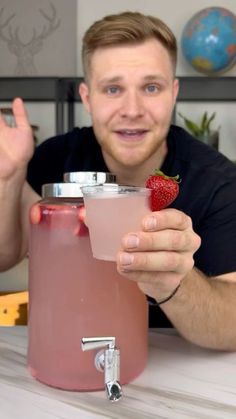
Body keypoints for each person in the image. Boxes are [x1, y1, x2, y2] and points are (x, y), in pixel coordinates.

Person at [0, 11, 236, 350]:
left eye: (151, 87)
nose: (132, 109)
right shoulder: (53, 159)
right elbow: (6, 255)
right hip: (66, 350)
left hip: (172, 366)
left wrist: (174, 282)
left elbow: (231, 327)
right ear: (86, 98)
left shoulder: (218, 182)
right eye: (112, 89)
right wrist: (7, 180)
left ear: (173, 93)